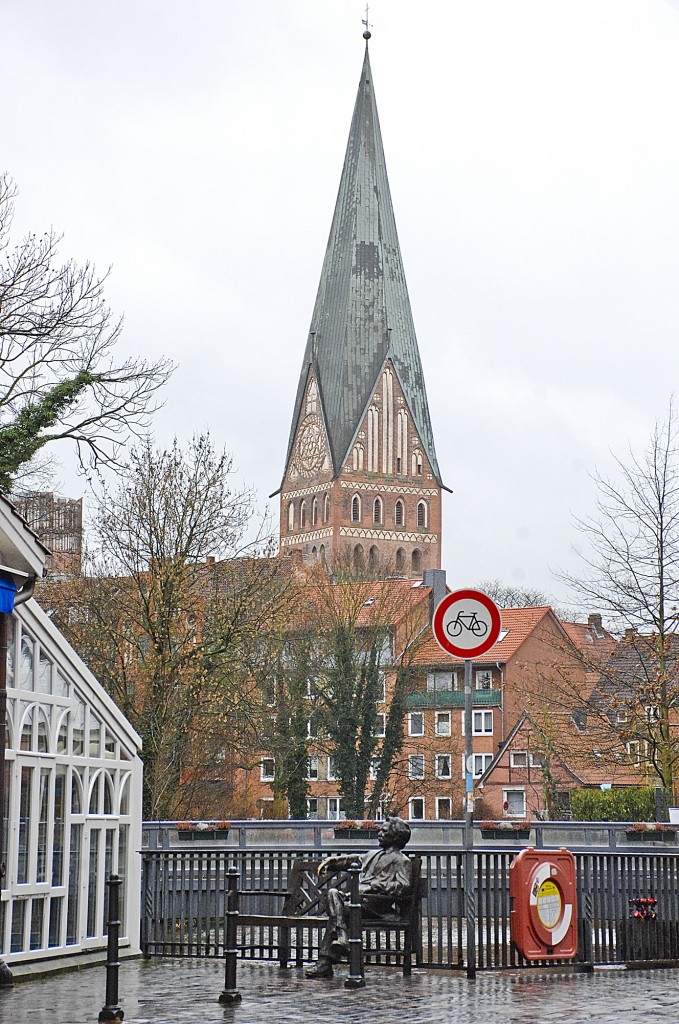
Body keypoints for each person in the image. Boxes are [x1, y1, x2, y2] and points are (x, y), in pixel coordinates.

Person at [305, 816, 413, 979]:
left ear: (396, 837)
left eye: (384, 831)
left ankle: (325, 962)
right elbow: (352, 859)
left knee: (337, 912)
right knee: (334, 894)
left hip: (376, 906)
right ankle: (341, 936)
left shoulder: (402, 861)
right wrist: (332, 861)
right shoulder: (372, 854)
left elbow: (403, 887)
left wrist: (374, 886)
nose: (380, 834)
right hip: (356, 903)